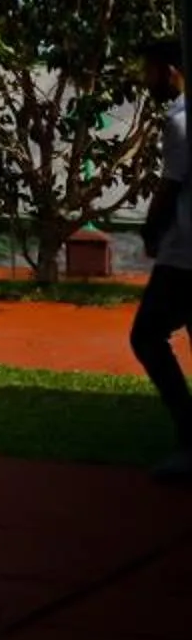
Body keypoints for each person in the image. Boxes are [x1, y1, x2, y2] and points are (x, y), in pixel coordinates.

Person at [132, 37, 192, 484]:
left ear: (171, 71)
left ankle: (190, 436)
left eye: (149, 70)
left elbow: (169, 186)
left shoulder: (179, 120)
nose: (145, 79)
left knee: (146, 336)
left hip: (183, 255)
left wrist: (150, 232)